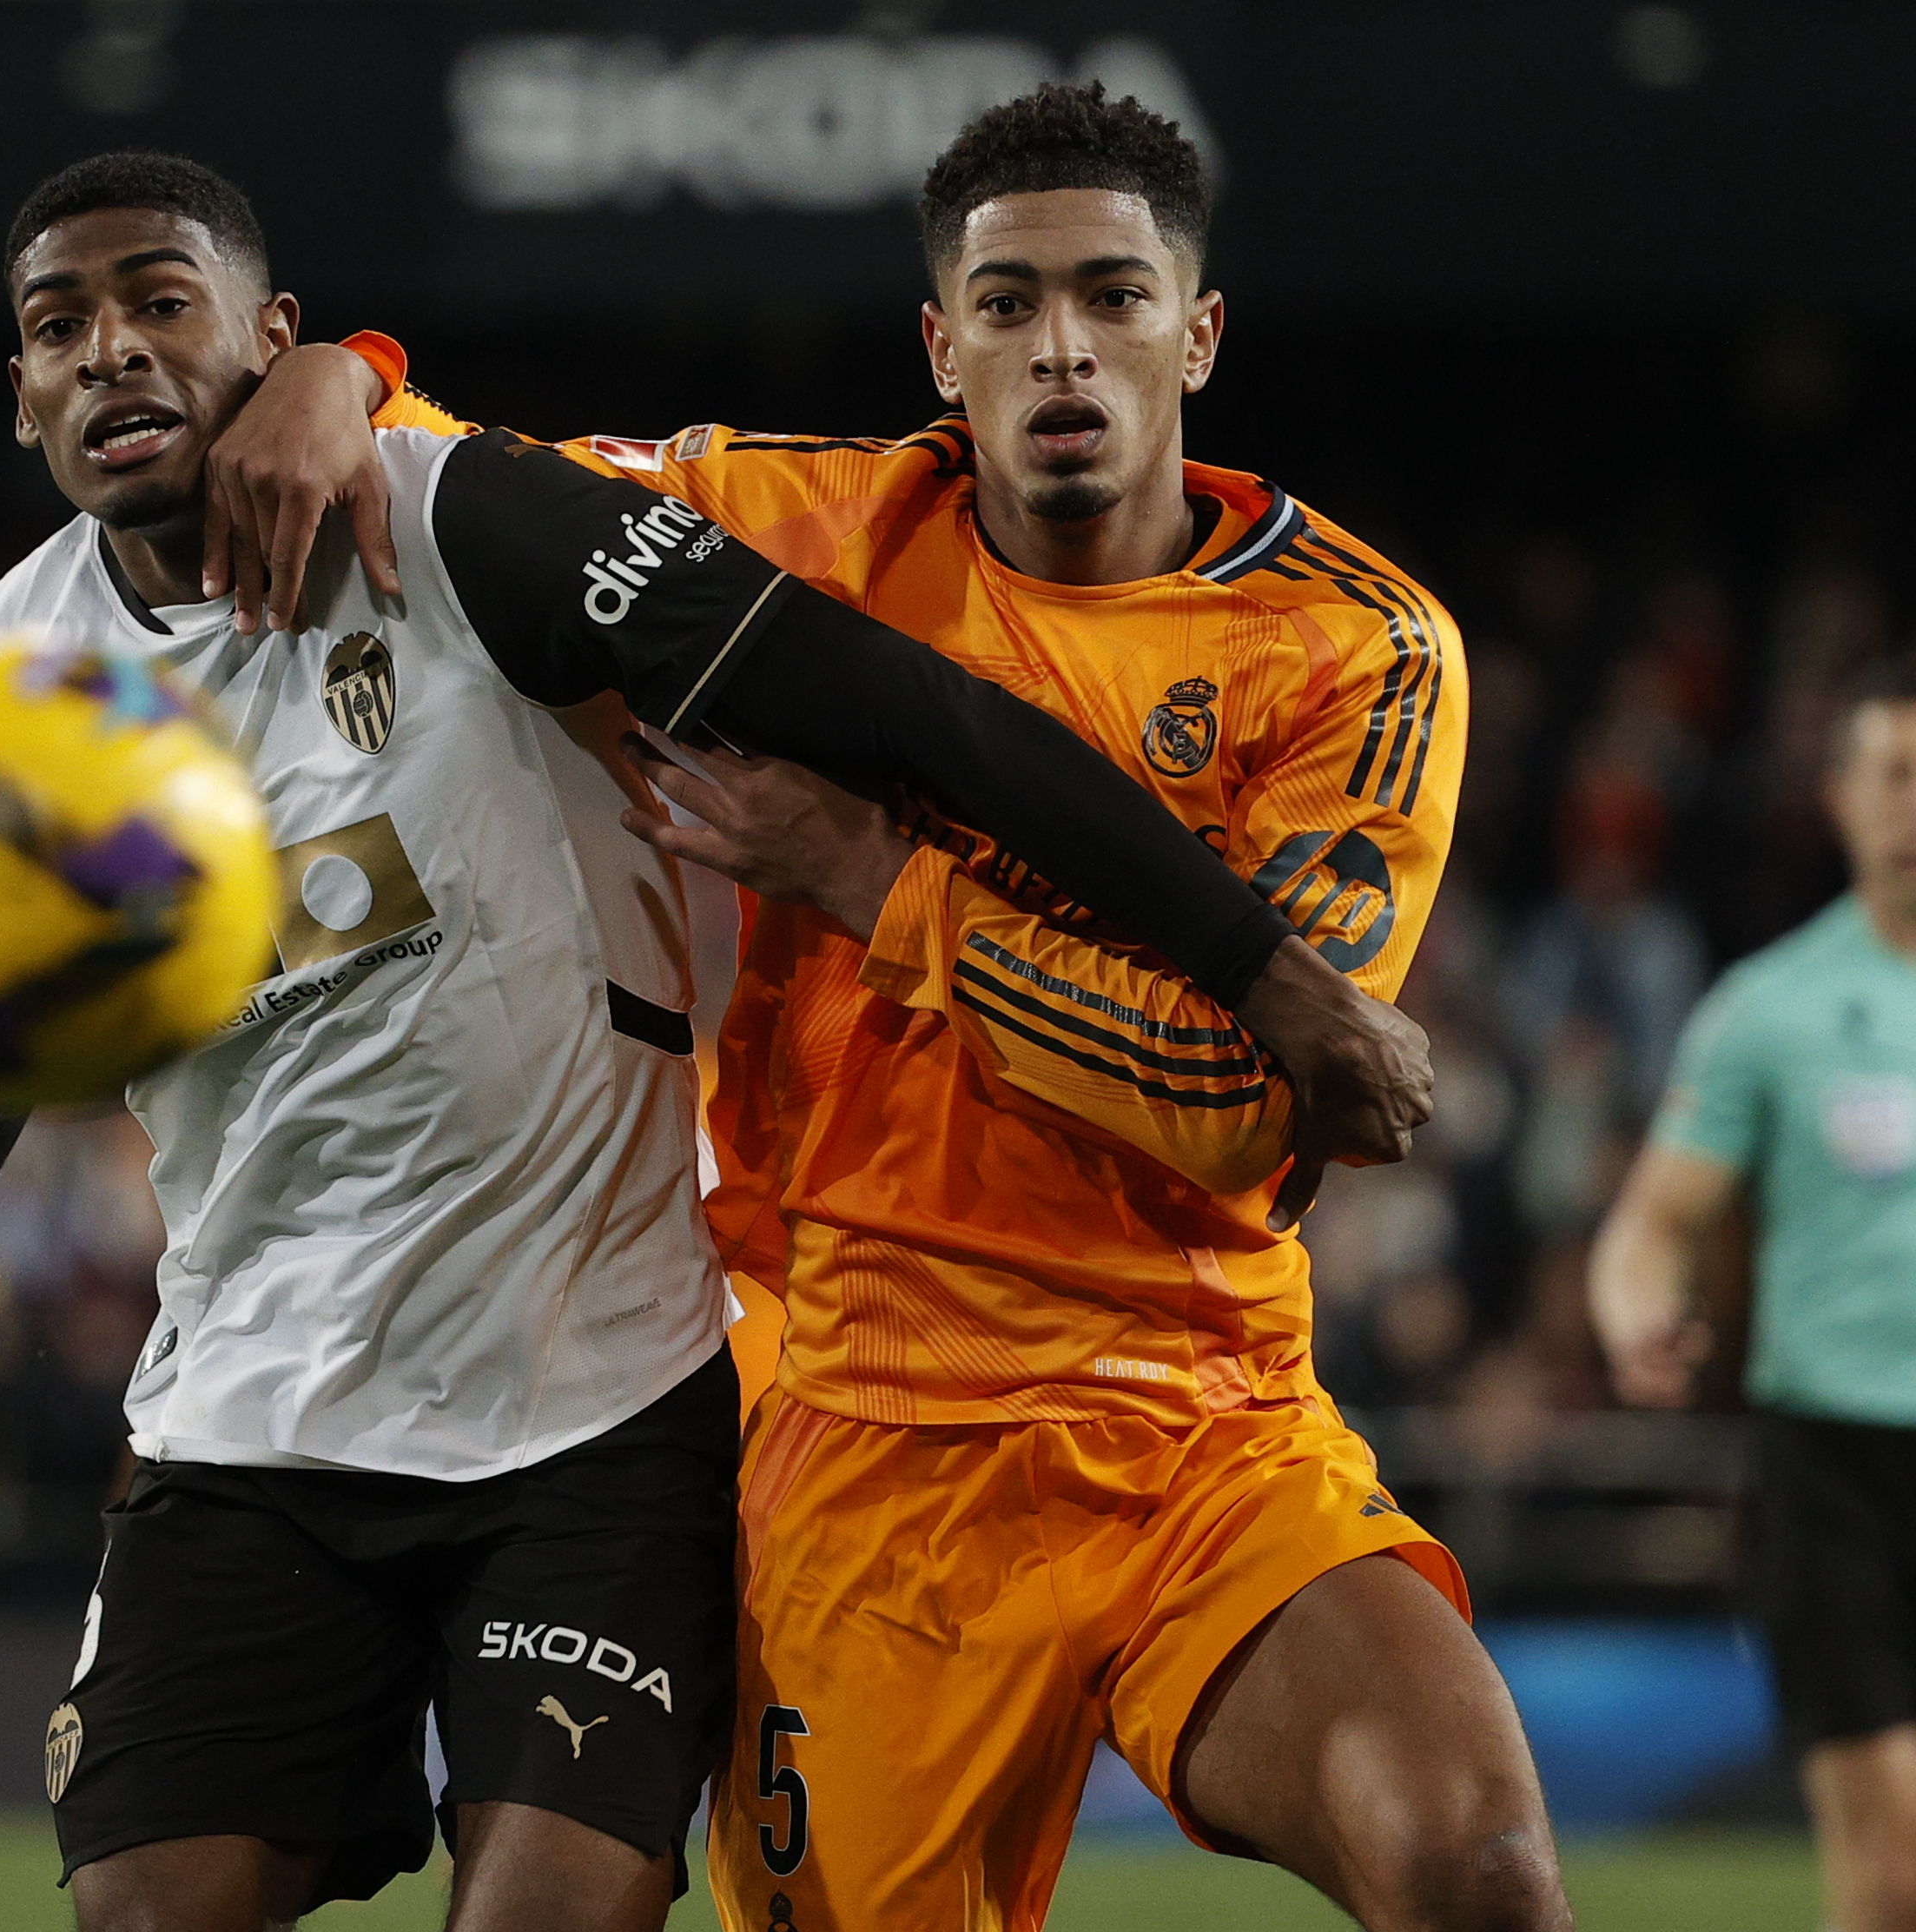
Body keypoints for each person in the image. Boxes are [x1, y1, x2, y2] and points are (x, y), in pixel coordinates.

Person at [0, 151, 1429, 1932]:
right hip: (250, 1425)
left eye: (164, 305)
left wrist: (1256, 962)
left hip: (596, 1414)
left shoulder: (451, 520)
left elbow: (904, 703)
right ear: (18, 395)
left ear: (266, 332)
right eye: (60, 328)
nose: (113, 352)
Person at [213, 82, 1572, 1932]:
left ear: (1200, 331)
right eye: (1006, 305)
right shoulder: (799, 525)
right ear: (941, 347)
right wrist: (346, 372)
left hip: (1198, 1410)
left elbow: (1237, 1091)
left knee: (1479, 1870)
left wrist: (871, 879)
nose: (1061, 346)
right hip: (865, 1423)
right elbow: (464, 476)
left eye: (1111, 295)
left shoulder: (1355, 644)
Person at [1592, 656, 1916, 1932]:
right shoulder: (1768, 1011)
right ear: (1838, 799)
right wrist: (1634, 1313)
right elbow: (1654, 1225)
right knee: (1890, 1879)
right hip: (1834, 1473)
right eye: (1893, 774)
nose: (1914, 804)